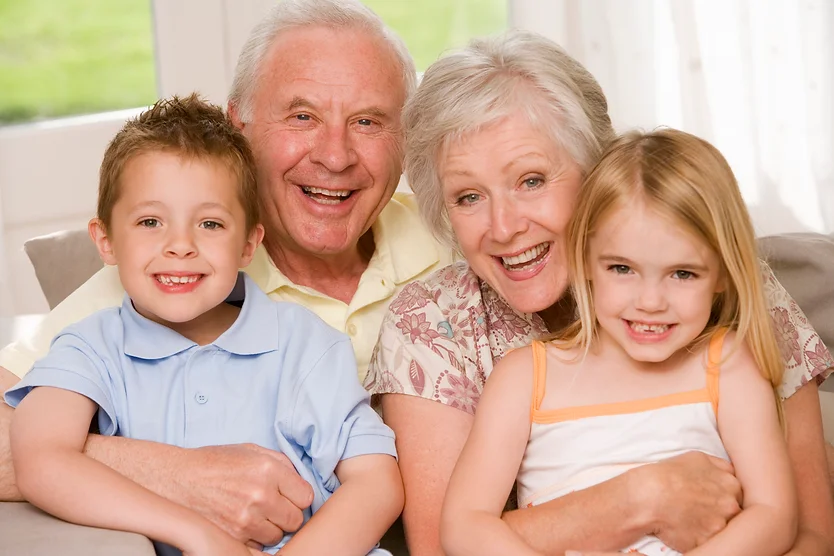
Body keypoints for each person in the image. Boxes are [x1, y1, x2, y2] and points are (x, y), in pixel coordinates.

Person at [0, 0, 449, 548]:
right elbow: (23, 443)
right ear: (241, 127)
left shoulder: (464, 237)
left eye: (368, 121)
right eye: (302, 116)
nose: (335, 156)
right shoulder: (150, 287)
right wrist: (177, 476)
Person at [366, 30, 834, 555]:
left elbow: (809, 533)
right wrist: (641, 498)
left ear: (597, 173)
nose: (502, 227)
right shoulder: (437, 325)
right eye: (469, 196)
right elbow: (445, 548)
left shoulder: (725, 291)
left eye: (532, 180)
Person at [441, 128, 797, 556]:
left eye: (683, 273)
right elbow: (464, 526)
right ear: (585, 258)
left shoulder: (729, 366)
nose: (650, 302)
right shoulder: (524, 378)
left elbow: (774, 516)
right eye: (622, 269)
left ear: (722, 273)